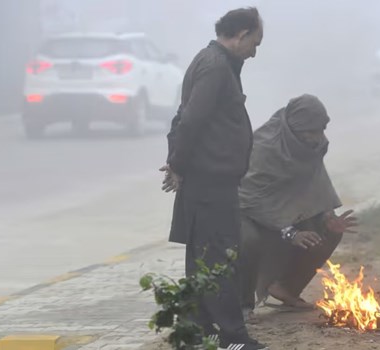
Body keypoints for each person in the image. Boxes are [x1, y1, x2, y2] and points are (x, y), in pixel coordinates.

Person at [160, 7, 267, 350]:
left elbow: (186, 116)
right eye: (255, 42)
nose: (254, 51)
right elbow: (190, 119)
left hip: (211, 181)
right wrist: (177, 163)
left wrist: (176, 161)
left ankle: (200, 332)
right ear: (241, 34)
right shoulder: (216, 66)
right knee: (220, 260)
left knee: (205, 260)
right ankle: (232, 337)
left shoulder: (215, 63)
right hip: (209, 183)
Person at [237, 94, 358, 317]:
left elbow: (313, 182)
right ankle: (243, 305)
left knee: (328, 233)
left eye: (321, 130)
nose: (318, 137)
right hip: (246, 211)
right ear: (294, 128)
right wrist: (290, 232)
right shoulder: (263, 148)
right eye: (311, 131)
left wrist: (327, 216)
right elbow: (249, 198)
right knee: (249, 241)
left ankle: (287, 288)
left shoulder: (313, 145)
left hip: (283, 211)